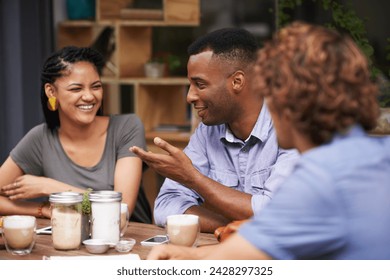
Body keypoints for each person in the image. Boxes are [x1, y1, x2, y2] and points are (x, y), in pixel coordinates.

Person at [146, 21, 390, 260]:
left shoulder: (319, 177)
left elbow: (234, 259)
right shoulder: (379, 154)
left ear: (287, 99)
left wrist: (185, 259)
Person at [130, 28, 299, 233]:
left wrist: (193, 178)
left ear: (237, 81)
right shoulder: (207, 132)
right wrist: (229, 228)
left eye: (199, 84)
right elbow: (166, 206)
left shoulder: (293, 129)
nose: (189, 97)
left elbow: (276, 215)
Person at [0, 46, 152, 223]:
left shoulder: (127, 128)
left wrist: (52, 188)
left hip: (128, 243)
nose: (89, 96)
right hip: (70, 242)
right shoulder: (40, 139)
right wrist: (41, 209)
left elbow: (120, 211)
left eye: (96, 87)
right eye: (76, 89)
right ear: (52, 92)